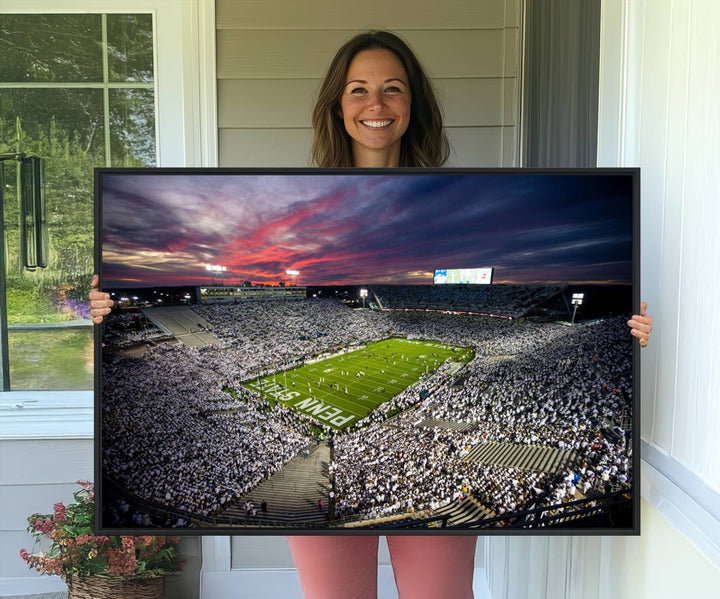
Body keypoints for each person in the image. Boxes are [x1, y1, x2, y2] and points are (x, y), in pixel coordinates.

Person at [89, 30, 652, 599]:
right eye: (358, 89)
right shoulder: (306, 201)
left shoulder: (458, 195)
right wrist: (103, 311)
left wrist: (629, 331)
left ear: (414, 105)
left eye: (392, 89)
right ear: (338, 104)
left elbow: (484, 264)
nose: (375, 104)